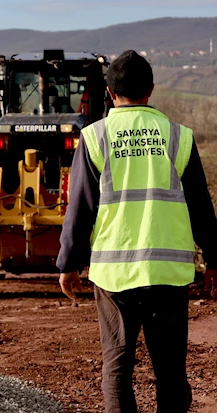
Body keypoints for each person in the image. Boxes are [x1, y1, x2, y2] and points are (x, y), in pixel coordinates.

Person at [57, 50, 217, 413]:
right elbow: (201, 207)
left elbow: (80, 207)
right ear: (152, 90)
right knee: (171, 373)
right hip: (168, 275)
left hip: (114, 276)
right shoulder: (180, 137)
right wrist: (214, 259)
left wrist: (69, 262)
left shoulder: (95, 137)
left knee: (116, 370)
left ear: (111, 93)